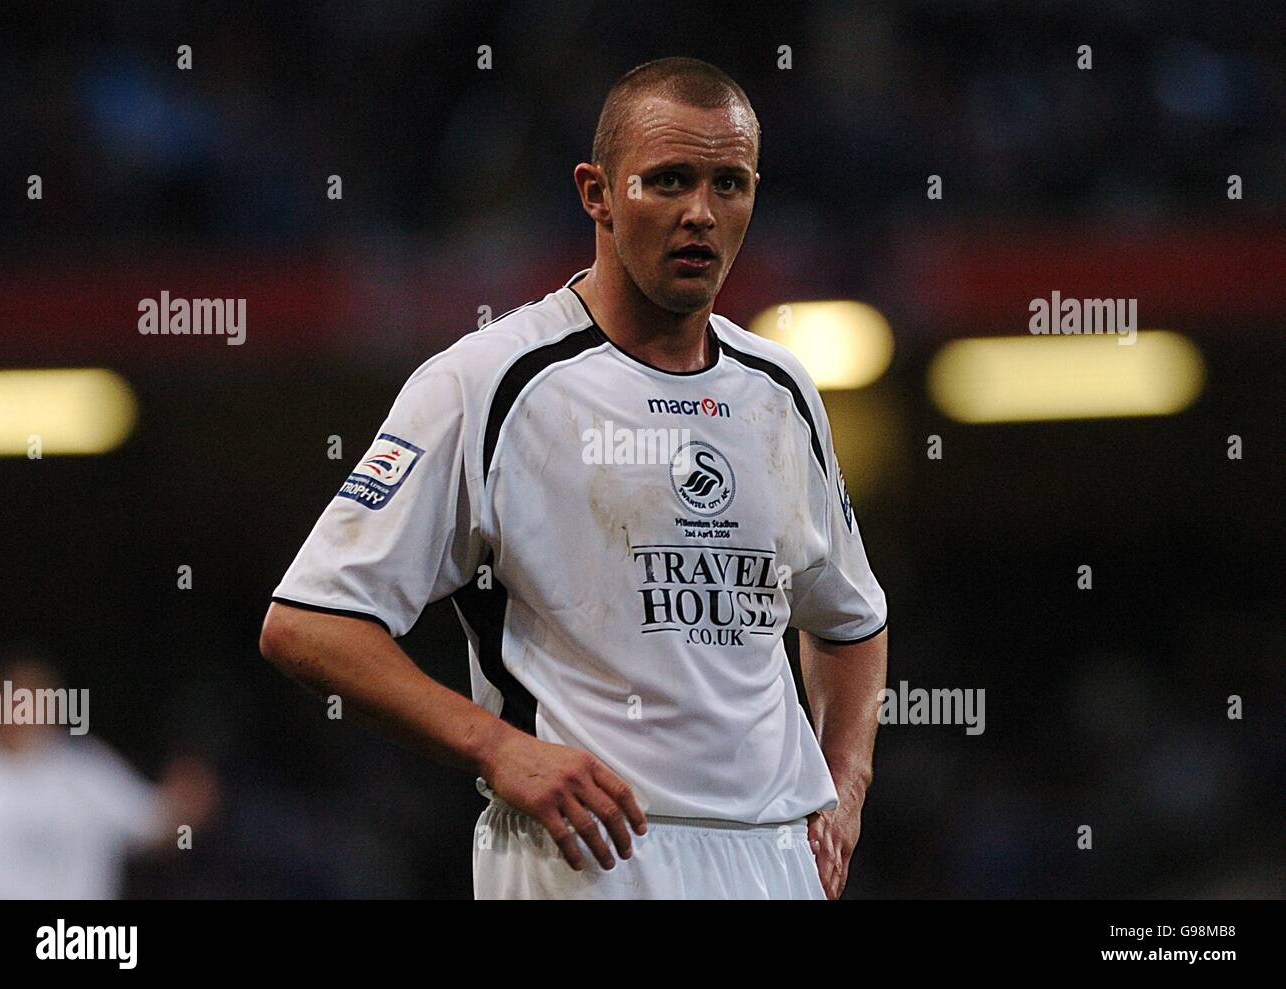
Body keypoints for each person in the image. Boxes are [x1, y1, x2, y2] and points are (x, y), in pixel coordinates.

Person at [260, 56, 888, 900]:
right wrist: (498, 747)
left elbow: (850, 619)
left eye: (729, 184)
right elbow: (307, 625)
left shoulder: (781, 390)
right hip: (588, 859)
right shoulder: (485, 382)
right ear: (596, 193)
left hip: (773, 860)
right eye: (668, 181)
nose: (702, 213)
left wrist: (843, 794)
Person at [0, 654, 217, 899]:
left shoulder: (85, 770)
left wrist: (188, 819)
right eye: (19, 698)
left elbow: (161, 832)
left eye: (41, 697)